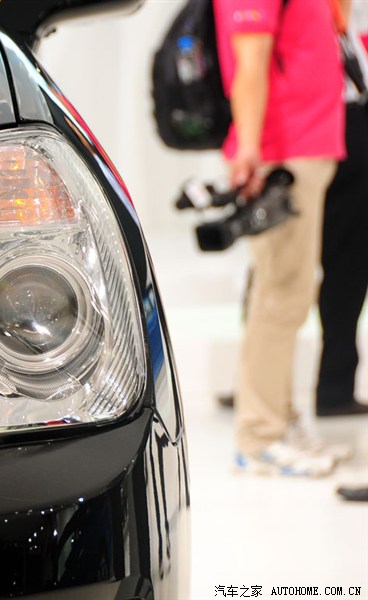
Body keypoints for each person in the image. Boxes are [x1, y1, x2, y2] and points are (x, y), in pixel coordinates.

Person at [213, 0, 346, 475]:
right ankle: (260, 438)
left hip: (304, 145)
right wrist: (250, 149)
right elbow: (250, 60)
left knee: (289, 293)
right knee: (280, 294)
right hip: (281, 152)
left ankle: (280, 424)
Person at [316, 2, 368, 418]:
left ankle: (335, 385)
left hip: (334, 127)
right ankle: (333, 387)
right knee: (345, 262)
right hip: (332, 127)